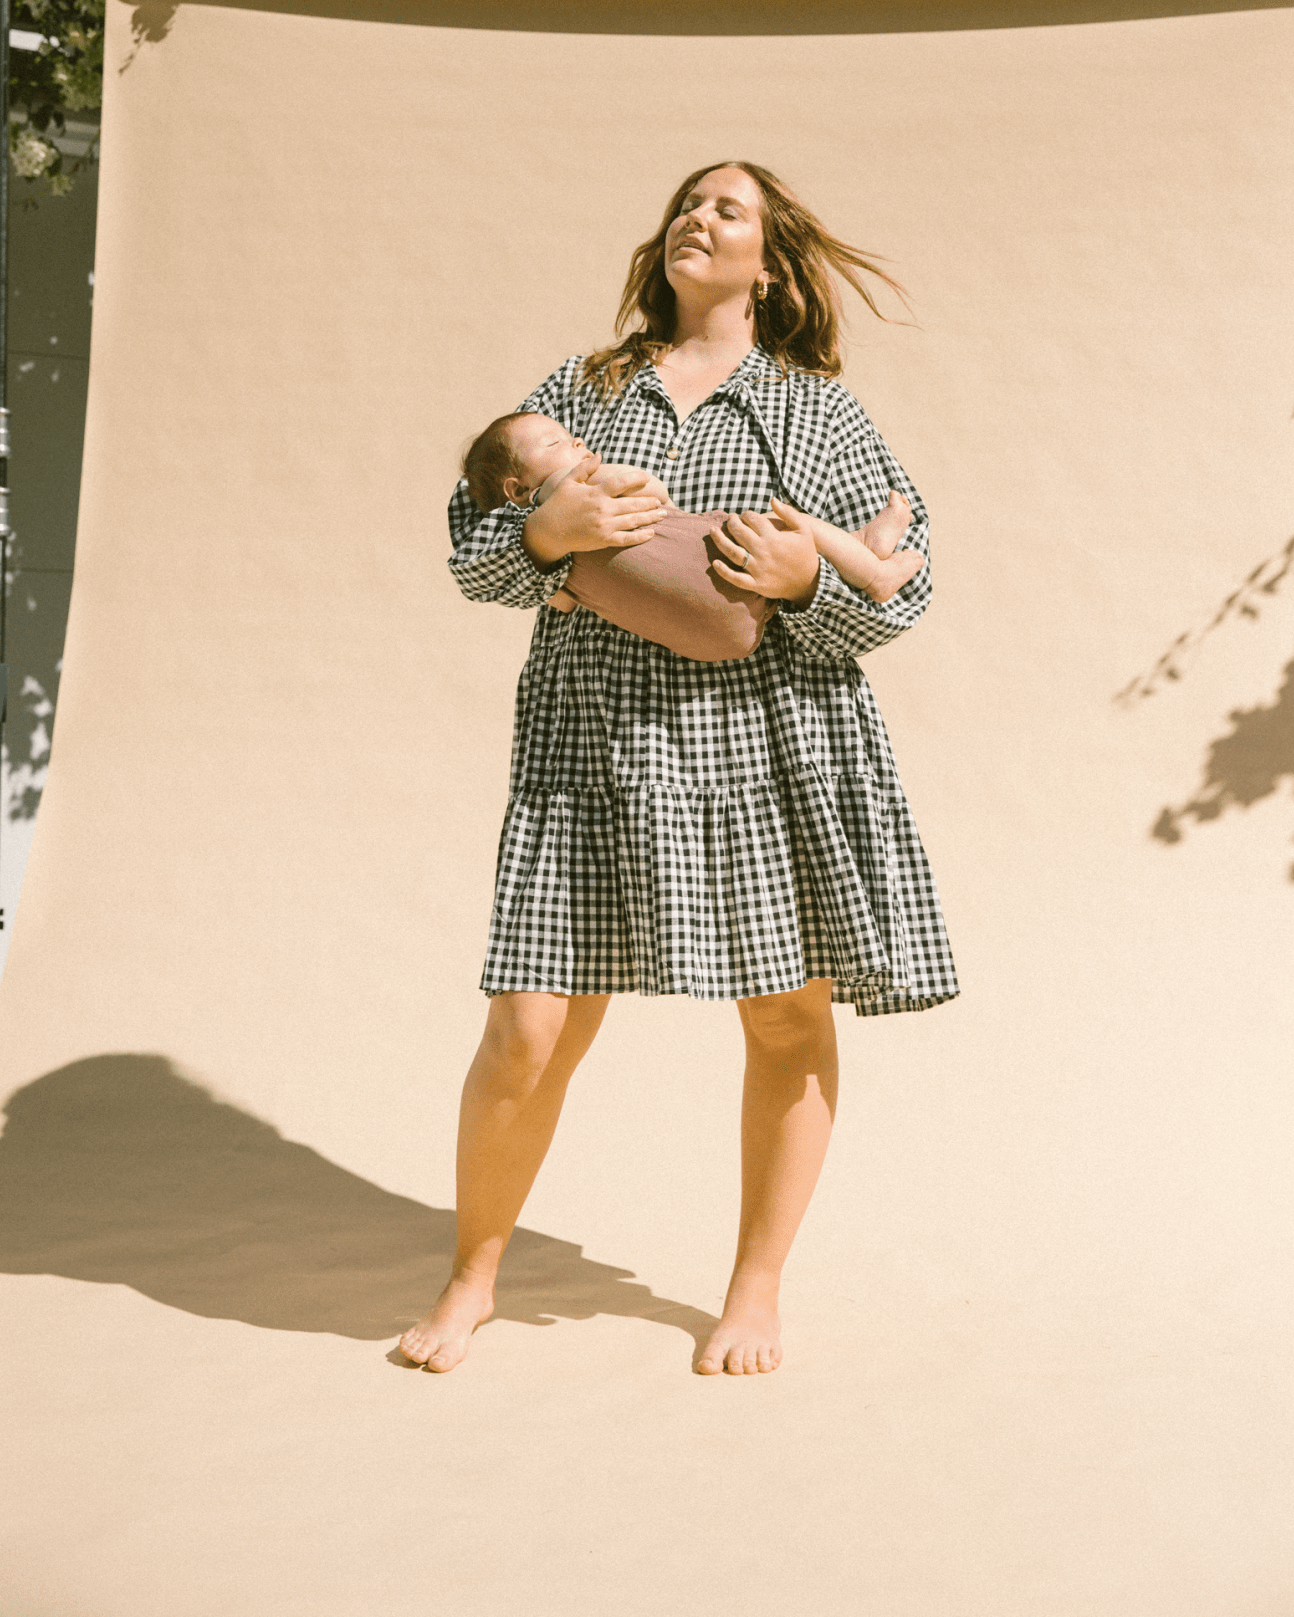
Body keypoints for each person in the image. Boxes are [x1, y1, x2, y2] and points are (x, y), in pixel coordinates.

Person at [400, 161, 957, 1379]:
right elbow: (471, 544)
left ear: (770, 261)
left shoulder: (816, 413)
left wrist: (807, 584)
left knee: (787, 1015)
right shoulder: (582, 388)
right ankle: (472, 1276)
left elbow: (905, 584)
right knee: (527, 1027)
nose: (697, 218)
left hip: (767, 749)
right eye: (686, 204)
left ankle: (754, 1289)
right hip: (590, 744)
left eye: (727, 208)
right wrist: (539, 533)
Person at [460, 407, 925, 639]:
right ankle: (869, 565)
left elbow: (560, 602)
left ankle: (861, 552)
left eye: (571, 436)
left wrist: (547, 551)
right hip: (720, 565)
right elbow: (648, 487)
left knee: (782, 538)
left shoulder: (821, 405)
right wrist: (547, 529)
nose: (576, 441)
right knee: (781, 523)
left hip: (707, 628)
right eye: (555, 443)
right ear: (516, 490)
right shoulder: (572, 485)